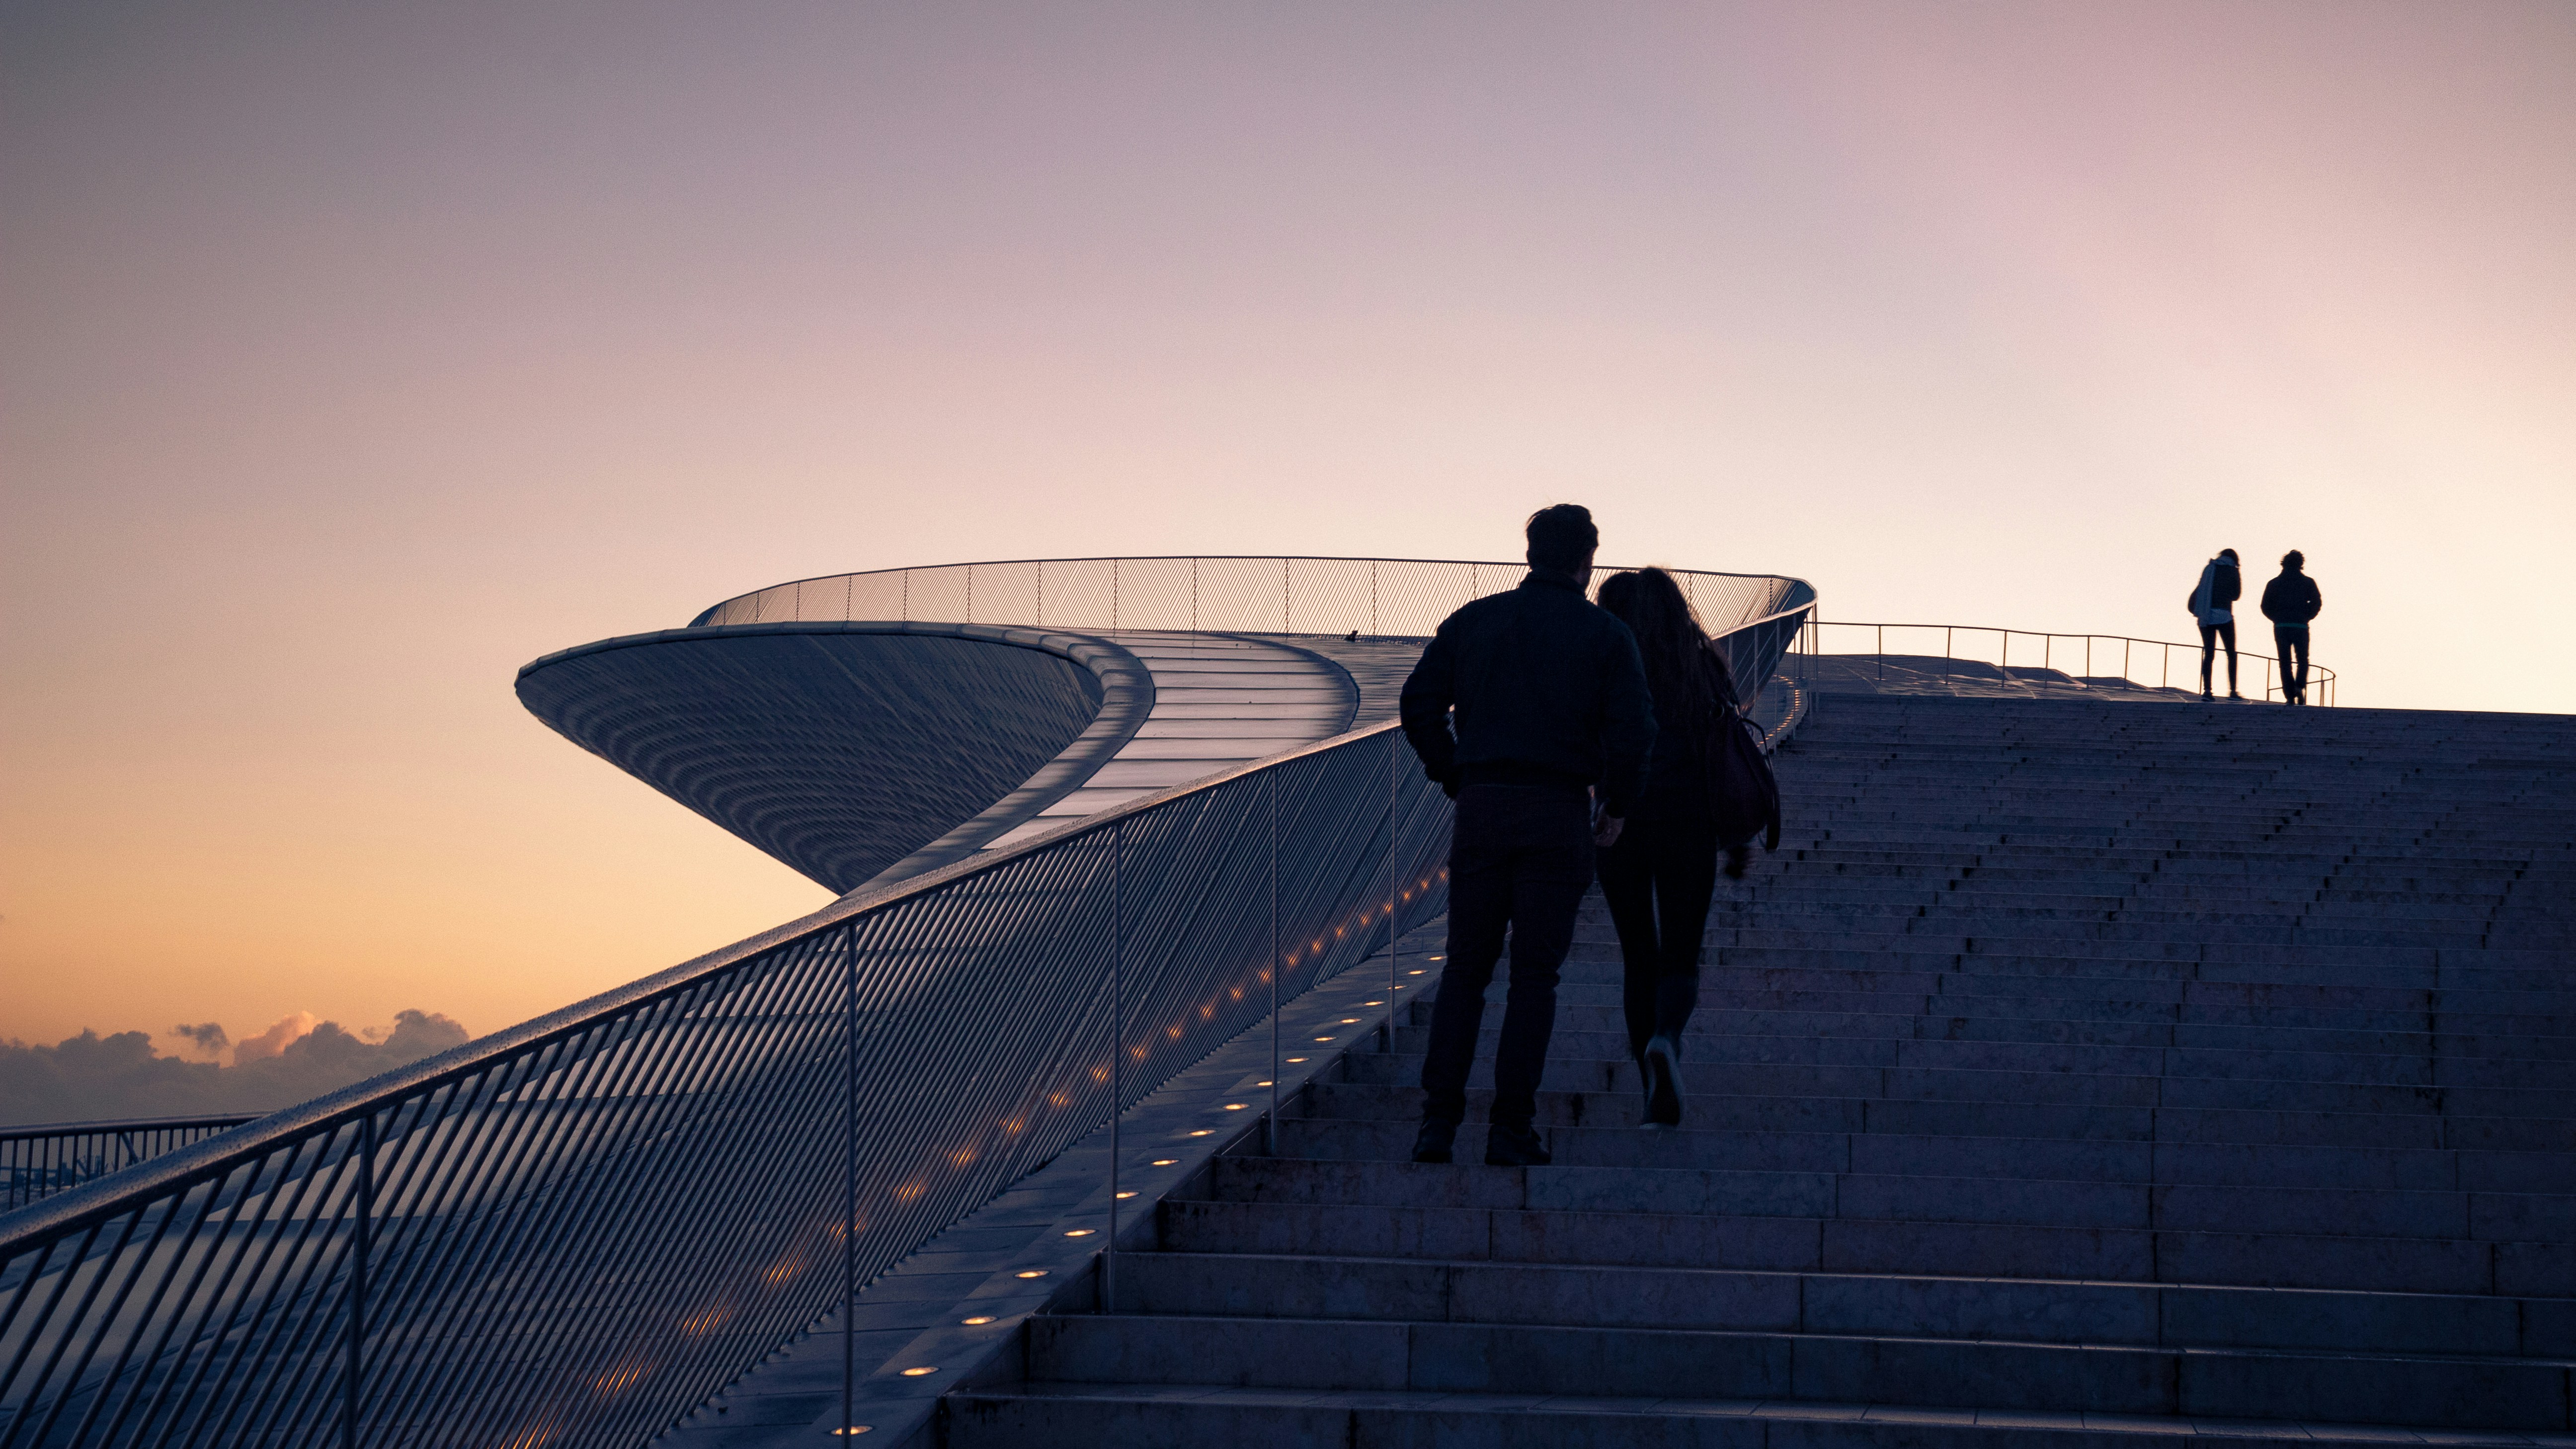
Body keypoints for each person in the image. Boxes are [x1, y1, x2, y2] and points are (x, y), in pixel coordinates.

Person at [1398, 504, 1656, 1167]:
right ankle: (1511, 1127)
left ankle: (1437, 1123)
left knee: (1465, 971)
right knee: (1534, 979)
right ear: (1585, 561)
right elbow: (1635, 733)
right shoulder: (1605, 636)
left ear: (1531, 553)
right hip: (1558, 810)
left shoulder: (1475, 622)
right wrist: (1617, 807)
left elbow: (1418, 702)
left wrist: (1454, 772)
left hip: (1483, 808)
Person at [1593, 567, 1738, 1129]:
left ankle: (1651, 1085)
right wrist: (1737, 835)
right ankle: (1666, 1039)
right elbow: (1726, 750)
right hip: (1689, 826)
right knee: (1680, 954)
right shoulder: (1701, 669)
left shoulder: (1605, 666)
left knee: (1639, 956)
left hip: (1619, 824)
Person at [2260, 551, 2322, 705]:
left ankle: (2289, 695)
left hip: (2281, 626)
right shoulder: (2308, 582)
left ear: (2284, 563)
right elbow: (2317, 602)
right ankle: (2300, 686)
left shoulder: (2274, 583)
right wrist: (2307, 616)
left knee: (2285, 661)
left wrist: (2276, 618)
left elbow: (2265, 606)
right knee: (2303, 659)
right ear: (2301, 564)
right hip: (2300, 625)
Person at [2190, 549, 2243, 700]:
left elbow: (2201, 588)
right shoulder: (2233, 571)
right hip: (2224, 616)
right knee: (2231, 654)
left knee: (2209, 654)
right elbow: (2236, 595)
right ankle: (2233, 691)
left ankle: (2207, 691)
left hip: (2206, 616)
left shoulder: (2209, 568)